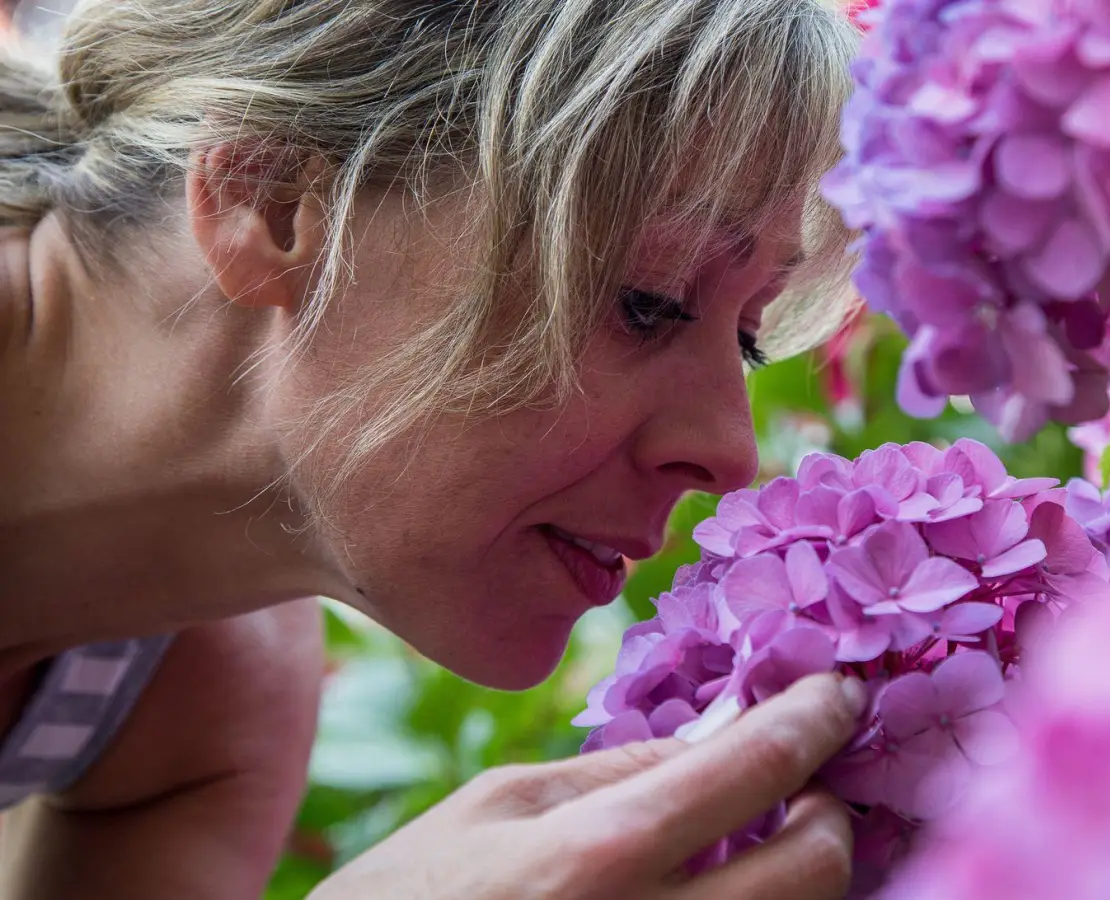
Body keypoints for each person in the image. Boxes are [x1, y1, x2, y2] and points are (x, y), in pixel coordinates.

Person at [0, 0, 864, 896]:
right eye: (646, 299)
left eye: (748, 338)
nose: (731, 452)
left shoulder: (202, 688)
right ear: (269, 198)